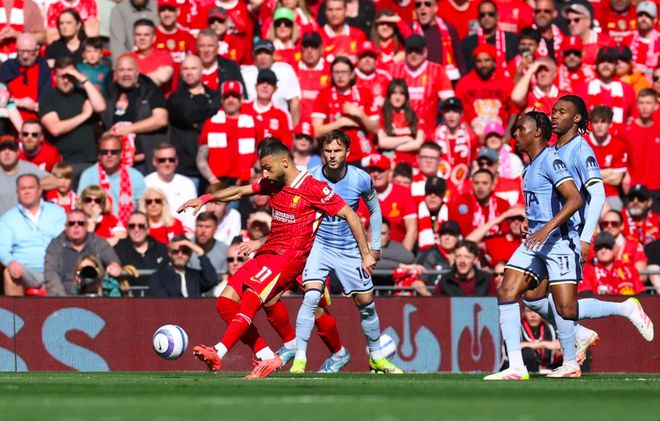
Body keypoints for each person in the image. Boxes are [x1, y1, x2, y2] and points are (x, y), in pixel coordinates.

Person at [178, 138, 375, 376]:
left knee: (306, 307)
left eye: (267, 168)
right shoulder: (274, 182)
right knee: (227, 302)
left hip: (294, 258)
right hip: (269, 252)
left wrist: (365, 254)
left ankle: (219, 352)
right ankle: (269, 353)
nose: (264, 173)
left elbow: (350, 215)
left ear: (284, 161)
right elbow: (240, 191)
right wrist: (205, 199)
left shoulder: (313, 188)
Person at [522, 97, 654, 377]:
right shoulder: (552, 149)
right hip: (547, 236)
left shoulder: (581, 150)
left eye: (562, 112)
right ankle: (579, 333)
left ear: (577, 118)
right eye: (553, 111)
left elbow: (598, 194)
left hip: (568, 236)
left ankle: (624, 311)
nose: (554, 116)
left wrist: (585, 237)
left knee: (565, 306)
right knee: (532, 297)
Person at [483, 110, 585, 381]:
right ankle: (516, 366)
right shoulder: (528, 168)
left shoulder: (551, 160)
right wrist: (529, 223)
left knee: (567, 309)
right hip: (535, 242)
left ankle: (624, 309)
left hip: (558, 242)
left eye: (521, 129)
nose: (515, 134)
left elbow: (575, 199)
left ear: (537, 132)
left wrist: (546, 228)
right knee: (507, 291)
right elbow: (542, 205)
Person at [288, 129, 401, 374]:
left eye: (337, 150)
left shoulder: (360, 178)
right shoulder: (310, 177)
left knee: (366, 304)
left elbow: (375, 210)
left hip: (350, 247)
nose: (332, 155)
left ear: (347, 152)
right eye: (328, 151)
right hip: (319, 245)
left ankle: (376, 357)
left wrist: (374, 247)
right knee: (311, 297)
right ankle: (300, 359)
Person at [101, 54, 168, 172]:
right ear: (115, 73)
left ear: (137, 71)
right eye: (121, 70)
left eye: (129, 70)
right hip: (114, 162)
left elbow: (161, 119)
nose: (126, 74)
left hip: (144, 163)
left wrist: (129, 129)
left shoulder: (151, 89)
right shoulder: (109, 91)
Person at [0, 174, 66, 295]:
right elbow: (2, 248)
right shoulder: (8, 219)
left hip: (56, 270)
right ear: (17, 192)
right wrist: (10, 262)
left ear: (39, 190)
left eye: (30, 188)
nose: (27, 192)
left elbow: (65, 241)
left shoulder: (57, 212)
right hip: (27, 272)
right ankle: (16, 308)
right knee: (8, 273)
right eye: (23, 188)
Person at [39, 57, 106, 173]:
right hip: (63, 163)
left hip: (89, 160)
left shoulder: (84, 94)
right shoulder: (48, 97)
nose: (66, 81)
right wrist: (85, 115)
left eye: (70, 76)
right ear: (54, 77)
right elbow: (55, 129)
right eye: (62, 77)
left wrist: (83, 79)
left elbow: (100, 107)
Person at [312, 56, 379, 164]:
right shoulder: (324, 95)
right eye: (336, 72)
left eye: (344, 72)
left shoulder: (365, 94)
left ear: (352, 74)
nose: (340, 76)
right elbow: (316, 131)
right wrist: (341, 123)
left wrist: (360, 114)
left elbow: (376, 128)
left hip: (363, 157)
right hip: (334, 158)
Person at [166, 54, 220, 186]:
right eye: (185, 69)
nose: (189, 72)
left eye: (193, 68)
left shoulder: (215, 95)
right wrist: (207, 115)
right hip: (185, 168)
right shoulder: (174, 98)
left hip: (213, 167)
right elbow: (187, 115)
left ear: (202, 70)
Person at [44, 208, 122, 295]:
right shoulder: (55, 246)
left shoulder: (97, 242)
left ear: (87, 226)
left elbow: (111, 258)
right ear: (66, 226)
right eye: (71, 223)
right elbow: (51, 274)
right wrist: (62, 298)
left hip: (95, 295)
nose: (76, 226)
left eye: (80, 223)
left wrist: (114, 264)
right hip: (65, 296)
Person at [390, 35, 454, 140]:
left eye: (417, 51)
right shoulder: (394, 70)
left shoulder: (437, 71)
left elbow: (449, 103)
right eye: (410, 51)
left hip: (428, 134)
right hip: (398, 133)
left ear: (425, 53)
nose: (413, 54)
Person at [77, 133, 147, 225]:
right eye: (104, 152)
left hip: (129, 228)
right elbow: (80, 206)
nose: (109, 155)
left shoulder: (135, 176)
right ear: (99, 155)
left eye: (114, 152)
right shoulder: (88, 175)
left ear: (121, 154)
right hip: (97, 227)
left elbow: (143, 207)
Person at [197, 80, 257, 186]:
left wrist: (253, 171)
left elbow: (264, 152)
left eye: (235, 96)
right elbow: (201, 157)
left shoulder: (252, 122)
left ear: (241, 98)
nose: (231, 100)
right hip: (218, 182)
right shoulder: (210, 123)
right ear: (222, 99)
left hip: (245, 182)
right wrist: (213, 180)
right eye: (227, 96)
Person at [455, 43, 515, 138]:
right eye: (479, 61)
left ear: (493, 61)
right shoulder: (464, 83)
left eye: (487, 60)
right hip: (472, 134)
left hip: (500, 134)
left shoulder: (505, 82)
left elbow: (514, 110)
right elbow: (458, 110)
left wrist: (508, 133)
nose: (483, 65)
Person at [363, 153, 417, 251]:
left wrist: (403, 254)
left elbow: (412, 229)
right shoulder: (361, 195)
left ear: (390, 172)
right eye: (372, 170)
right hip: (368, 252)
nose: (376, 174)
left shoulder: (403, 193)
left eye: (380, 170)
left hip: (397, 251)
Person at [241, 38, 302, 125]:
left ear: (274, 55)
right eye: (259, 53)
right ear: (253, 55)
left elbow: (294, 103)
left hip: (279, 124)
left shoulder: (285, 71)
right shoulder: (245, 74)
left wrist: (295, 130)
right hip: (251, 125)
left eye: (267, 53)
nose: (263, 57)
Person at [405, 0, 464, 82]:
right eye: (418, 5)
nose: (422, 8)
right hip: (418, 82)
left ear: (435, 8)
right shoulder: (409, 30)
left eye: (427, 4)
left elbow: (460, 62)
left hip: (446, 82)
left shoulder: (449, 30)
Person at [145, 142, 198, 231]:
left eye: (171, 159)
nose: (167, 163)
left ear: (176, 161)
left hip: (182, 233)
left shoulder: (187, 184)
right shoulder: (146, 183)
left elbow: (192, 214)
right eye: (162, 160)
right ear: (154, 161)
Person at [0, 134, 57, 216]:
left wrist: (31, 186)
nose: (7, 152)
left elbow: (54, 181)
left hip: (24, 221)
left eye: (11, 149)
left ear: (18, 152)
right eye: (2, 149)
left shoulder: (28, 168)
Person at [0, 33, 52, 122]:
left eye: (29, 52)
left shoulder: (44, 68)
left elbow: (48, 98)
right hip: (8, 120)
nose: (25, 56)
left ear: (37, 51)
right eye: (21, 52)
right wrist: (20, 102)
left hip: (37, 121)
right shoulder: (7, 67)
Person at [146, 234, 217, 297]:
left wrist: (200, 252)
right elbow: (162, 303)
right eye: (175, 251)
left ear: (190, 254)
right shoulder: (158, 277)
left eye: (185, 251)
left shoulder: (195, 276)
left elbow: (211, 280)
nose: (180, 255)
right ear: (169, 253)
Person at [621, 89, 660, 205]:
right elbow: (620, 158)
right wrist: (625, 175)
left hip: (657, 188)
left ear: (655, 106)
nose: (644, 107)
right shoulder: (626, 131)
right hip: (633, 187)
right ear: (637, 105)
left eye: (648, 103)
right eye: (641, 103)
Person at [586, 106, 627, 211]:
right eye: (596, 122)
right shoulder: (582, 144)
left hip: (610, 193)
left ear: (610, 123)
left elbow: (617, 180)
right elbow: (581, 176)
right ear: (591, 124)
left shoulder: (619, 145)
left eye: (603, 122)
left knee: (617, 210)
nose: (599, 126)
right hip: (586, 192)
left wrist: (592, 175)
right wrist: (609, 171)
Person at [449, 168, 511, 238]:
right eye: (476, 183)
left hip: (496, 243)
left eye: (484, 183)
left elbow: (506, 231)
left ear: (492, 186)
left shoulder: (502, 204)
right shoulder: (464, 201)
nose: (480, 187)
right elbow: (466, 233)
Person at [113, 210, 169, 287]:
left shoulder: (160, 248)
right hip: (130, 293)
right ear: (127, 229)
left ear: (148, 229)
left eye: (141, 226)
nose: (136, 229)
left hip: (158, 293)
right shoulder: (119, 248)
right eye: (132, 226)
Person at [580, 231, 646, 296]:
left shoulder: (628, 269)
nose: (603, 251)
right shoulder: (587, 270)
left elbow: (641, 294)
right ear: (594, 250)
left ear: (615, 248)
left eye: (608, 247)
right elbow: (585, 295)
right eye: (599, 247)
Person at [460, 1, 518, 72]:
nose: (486, 17)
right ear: (478, 18)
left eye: (491, 14)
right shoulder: (467, 44)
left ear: (497, 16)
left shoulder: (513, 41)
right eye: (482, 15)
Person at [434, 97, 478, 188]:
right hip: (439, 186)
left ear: (461, 114)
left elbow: (475, 165)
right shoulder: (434, 135)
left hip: (463, 186)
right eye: (447, 111)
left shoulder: (471, 137)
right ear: (442, 114)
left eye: (455, 111)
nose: (451, 115)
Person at [377, 79, 423, 166]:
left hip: (411, 165)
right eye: (394, 93)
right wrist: (407, 138)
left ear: (406, 96)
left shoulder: (414, 116)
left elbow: (418, 144)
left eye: (401, 93)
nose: (397, 97)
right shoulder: (382, 115)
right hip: (389, 164)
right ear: (389, 95)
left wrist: (392, 145)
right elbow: (382, 143)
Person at [245, 69, 293, 147]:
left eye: (269, 83)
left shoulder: (282, 115)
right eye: (261, 82)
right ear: (255, 86)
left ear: (275, 88)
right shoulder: (242, 108)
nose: (265, 86)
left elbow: (287, 145)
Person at [295, 31, 330, 126]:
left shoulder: (331, 70)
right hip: (299, 127)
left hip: (324, 126)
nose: (309, 51)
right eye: (306, 47)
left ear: (321, 49)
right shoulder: (293, 70)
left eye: (314, 47)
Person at [195, 29, 245, 95]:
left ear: (217, 48)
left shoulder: (231, 68)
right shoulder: (189, 68)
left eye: (210, 46)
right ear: (197, 47)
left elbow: (243, 96)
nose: (206, 50)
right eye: (202, 46)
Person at [563, 1, 611, 65]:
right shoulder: (564, 44)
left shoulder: (606, 42)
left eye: (576, 20)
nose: (572, 24)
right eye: (568, 21)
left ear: (588, 21)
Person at [130, 18, 174, 88]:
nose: (142, 38)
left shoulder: (164, 56)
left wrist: (134, 80)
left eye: (146, 35)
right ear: (134, 38)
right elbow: (121, 82)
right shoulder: (126, 58)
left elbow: (164, 77)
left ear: (154, 38)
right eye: (138, 35)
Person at [518, 307, 562, 374]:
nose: (533, 315)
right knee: (527, 352)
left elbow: (557, 347)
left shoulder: (550, 328)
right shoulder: (517, 328)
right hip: (524, 369)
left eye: (536, 311)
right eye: (529, 311)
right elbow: (512, 347)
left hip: (549, 368)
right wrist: (544, 344)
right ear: (523, 313)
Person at [623, 1, 659, 81]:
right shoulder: (628, 39)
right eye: (640, 15)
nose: (643, 19)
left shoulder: (658, 41)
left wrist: (644, 70)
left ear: (655, 20)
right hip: (630, 81)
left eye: (648, 16)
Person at [354, 40, 391, 109]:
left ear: (376, 60)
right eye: (363, 56)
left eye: (371, 56)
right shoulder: (350, 76)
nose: (367, 60)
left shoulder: (385, 77)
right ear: (357, 59)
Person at [417, 176, 448, 251]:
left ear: (443, 195)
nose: (432, 196)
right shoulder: (415, 212)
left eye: (437, 193)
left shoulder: (451, 212)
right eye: (429, 192)